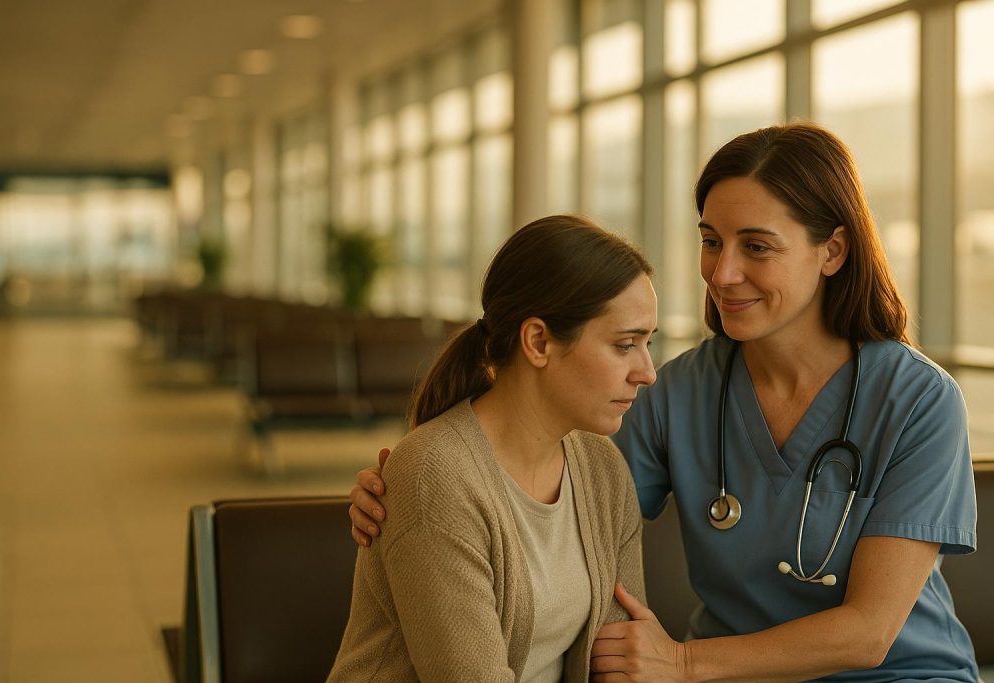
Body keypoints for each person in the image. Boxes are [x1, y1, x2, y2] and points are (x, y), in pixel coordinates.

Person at [349, 123, 979, 681]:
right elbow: (552, 489)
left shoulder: (918, 401)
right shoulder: (675, 392)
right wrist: (412, 482)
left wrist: (681, 663)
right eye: (711, 241)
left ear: (833, 251)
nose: (723, 272)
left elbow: (870, 634)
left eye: (756, 247)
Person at [329, 215, 659, 682]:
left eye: (648, 343)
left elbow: (621, 659)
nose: (647, 371)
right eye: (625, 345)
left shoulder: (602, 466)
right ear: (539, 341)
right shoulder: (435, 477)